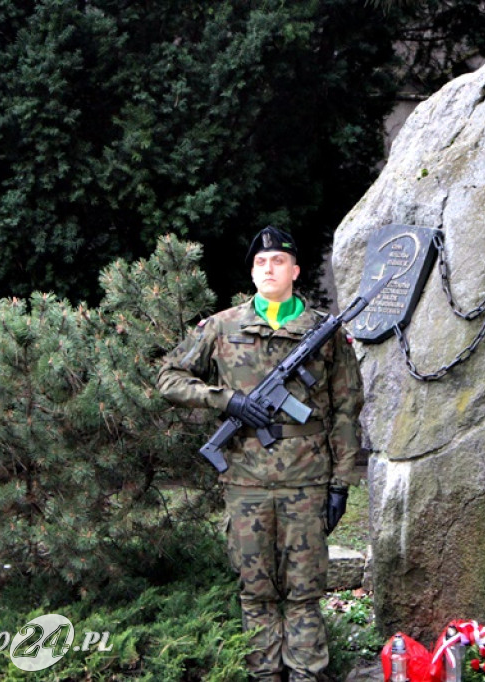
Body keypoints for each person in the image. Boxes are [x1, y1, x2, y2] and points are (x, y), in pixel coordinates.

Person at [156, 225, 365, 681]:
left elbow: (347, 409)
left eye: (278, 261)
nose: (269, 268)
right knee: (255, 592)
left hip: (307, 481)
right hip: (245, 481)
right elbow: (169, 378)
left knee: (305, 591)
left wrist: (341, 484)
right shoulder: (221, 326)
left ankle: (307, 674)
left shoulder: (324, 332)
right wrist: (225, 400)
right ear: (252, 273)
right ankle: (264, 675)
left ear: (295, 271)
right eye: (261, 262)